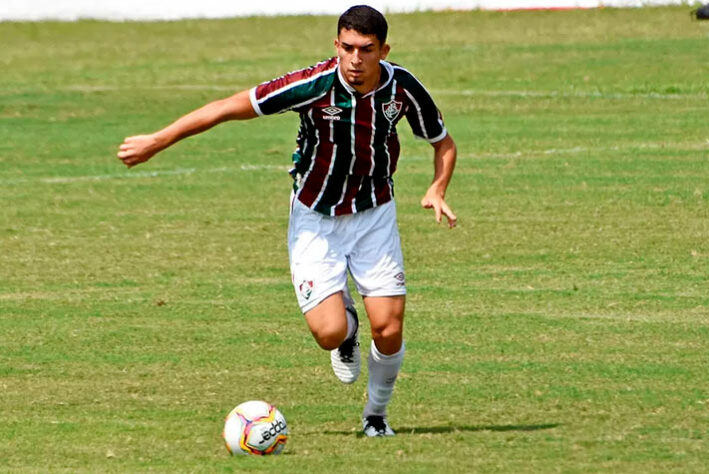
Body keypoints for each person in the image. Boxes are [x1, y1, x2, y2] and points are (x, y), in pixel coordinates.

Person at [117, 5, 457, 437]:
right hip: (316, 218)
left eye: (366, 50)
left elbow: (442, 142)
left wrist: (437, 187)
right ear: (336, 46)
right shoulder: (312, 85)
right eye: (347, 48)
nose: (355, 59)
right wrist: (158, 140)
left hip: (375, 215)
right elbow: (227, 107)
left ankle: (376, 417)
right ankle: (347, 334)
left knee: (389, 330)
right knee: (330, 332)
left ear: (383, 50)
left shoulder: (402, 88)